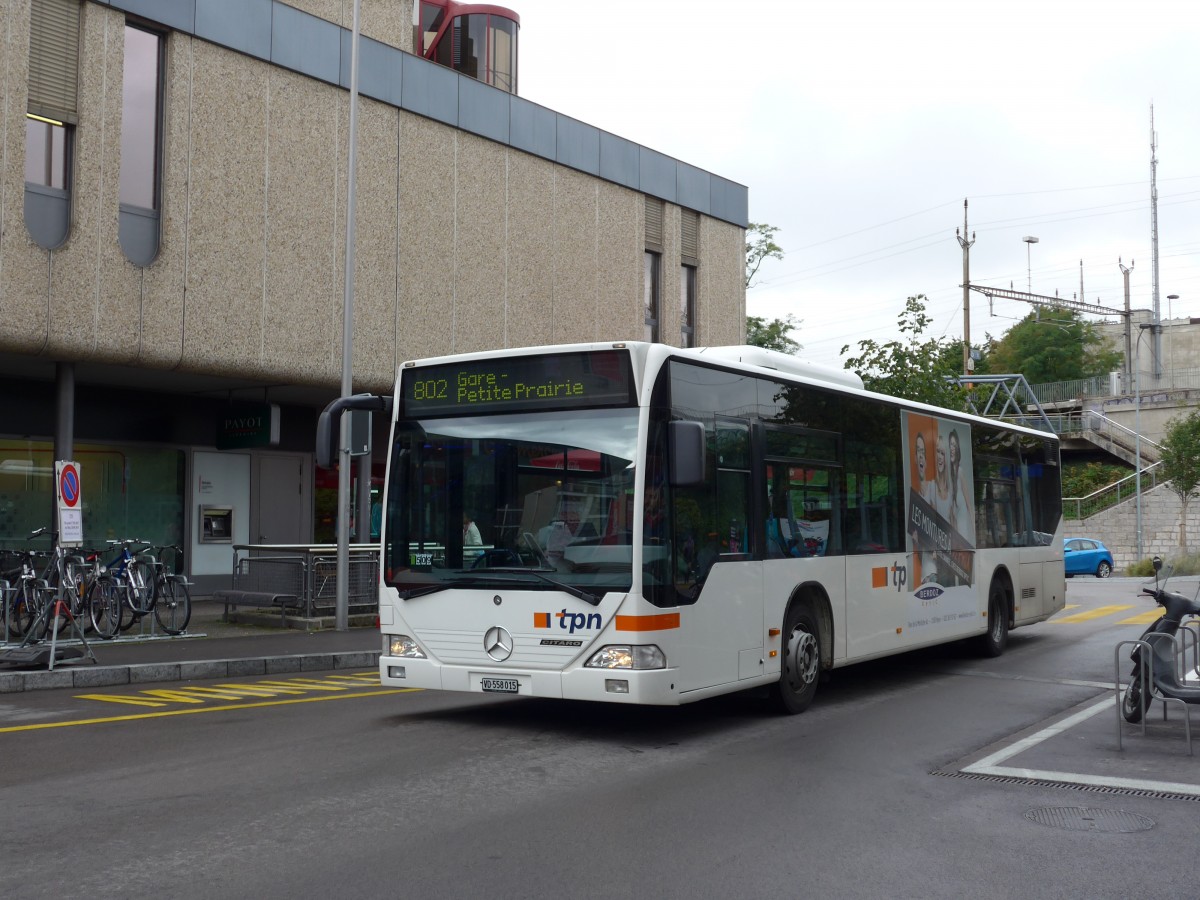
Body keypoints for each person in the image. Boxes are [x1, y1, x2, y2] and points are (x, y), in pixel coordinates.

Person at [947, 429, 974, 544]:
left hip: (963, 531)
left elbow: (969, 505)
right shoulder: (949, 475)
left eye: (954, 445)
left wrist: (974, 531)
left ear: (957, 448)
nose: (952, 448)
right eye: (950, 445)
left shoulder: (960, 471)